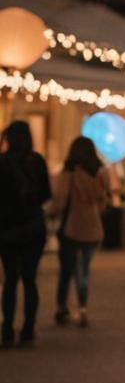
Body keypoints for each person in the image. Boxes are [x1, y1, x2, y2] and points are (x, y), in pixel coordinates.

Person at [0, 121, 52, 349]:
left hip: (7, 230)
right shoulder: (38, 161)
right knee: (30, 280)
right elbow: (45, 195)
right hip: (33, 229)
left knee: (10, 281)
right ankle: (28, 328)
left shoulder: (2, 162)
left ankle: (8, 329)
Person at [51, 136, 110, 328]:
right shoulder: (98, 173)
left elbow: (60, 199)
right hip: (92, 228)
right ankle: (83, 308)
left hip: (71, 227)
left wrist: (51, 213)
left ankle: (62, 307)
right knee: (83, 271)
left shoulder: (69, 172)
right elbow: (103, 202)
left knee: (66, 271)